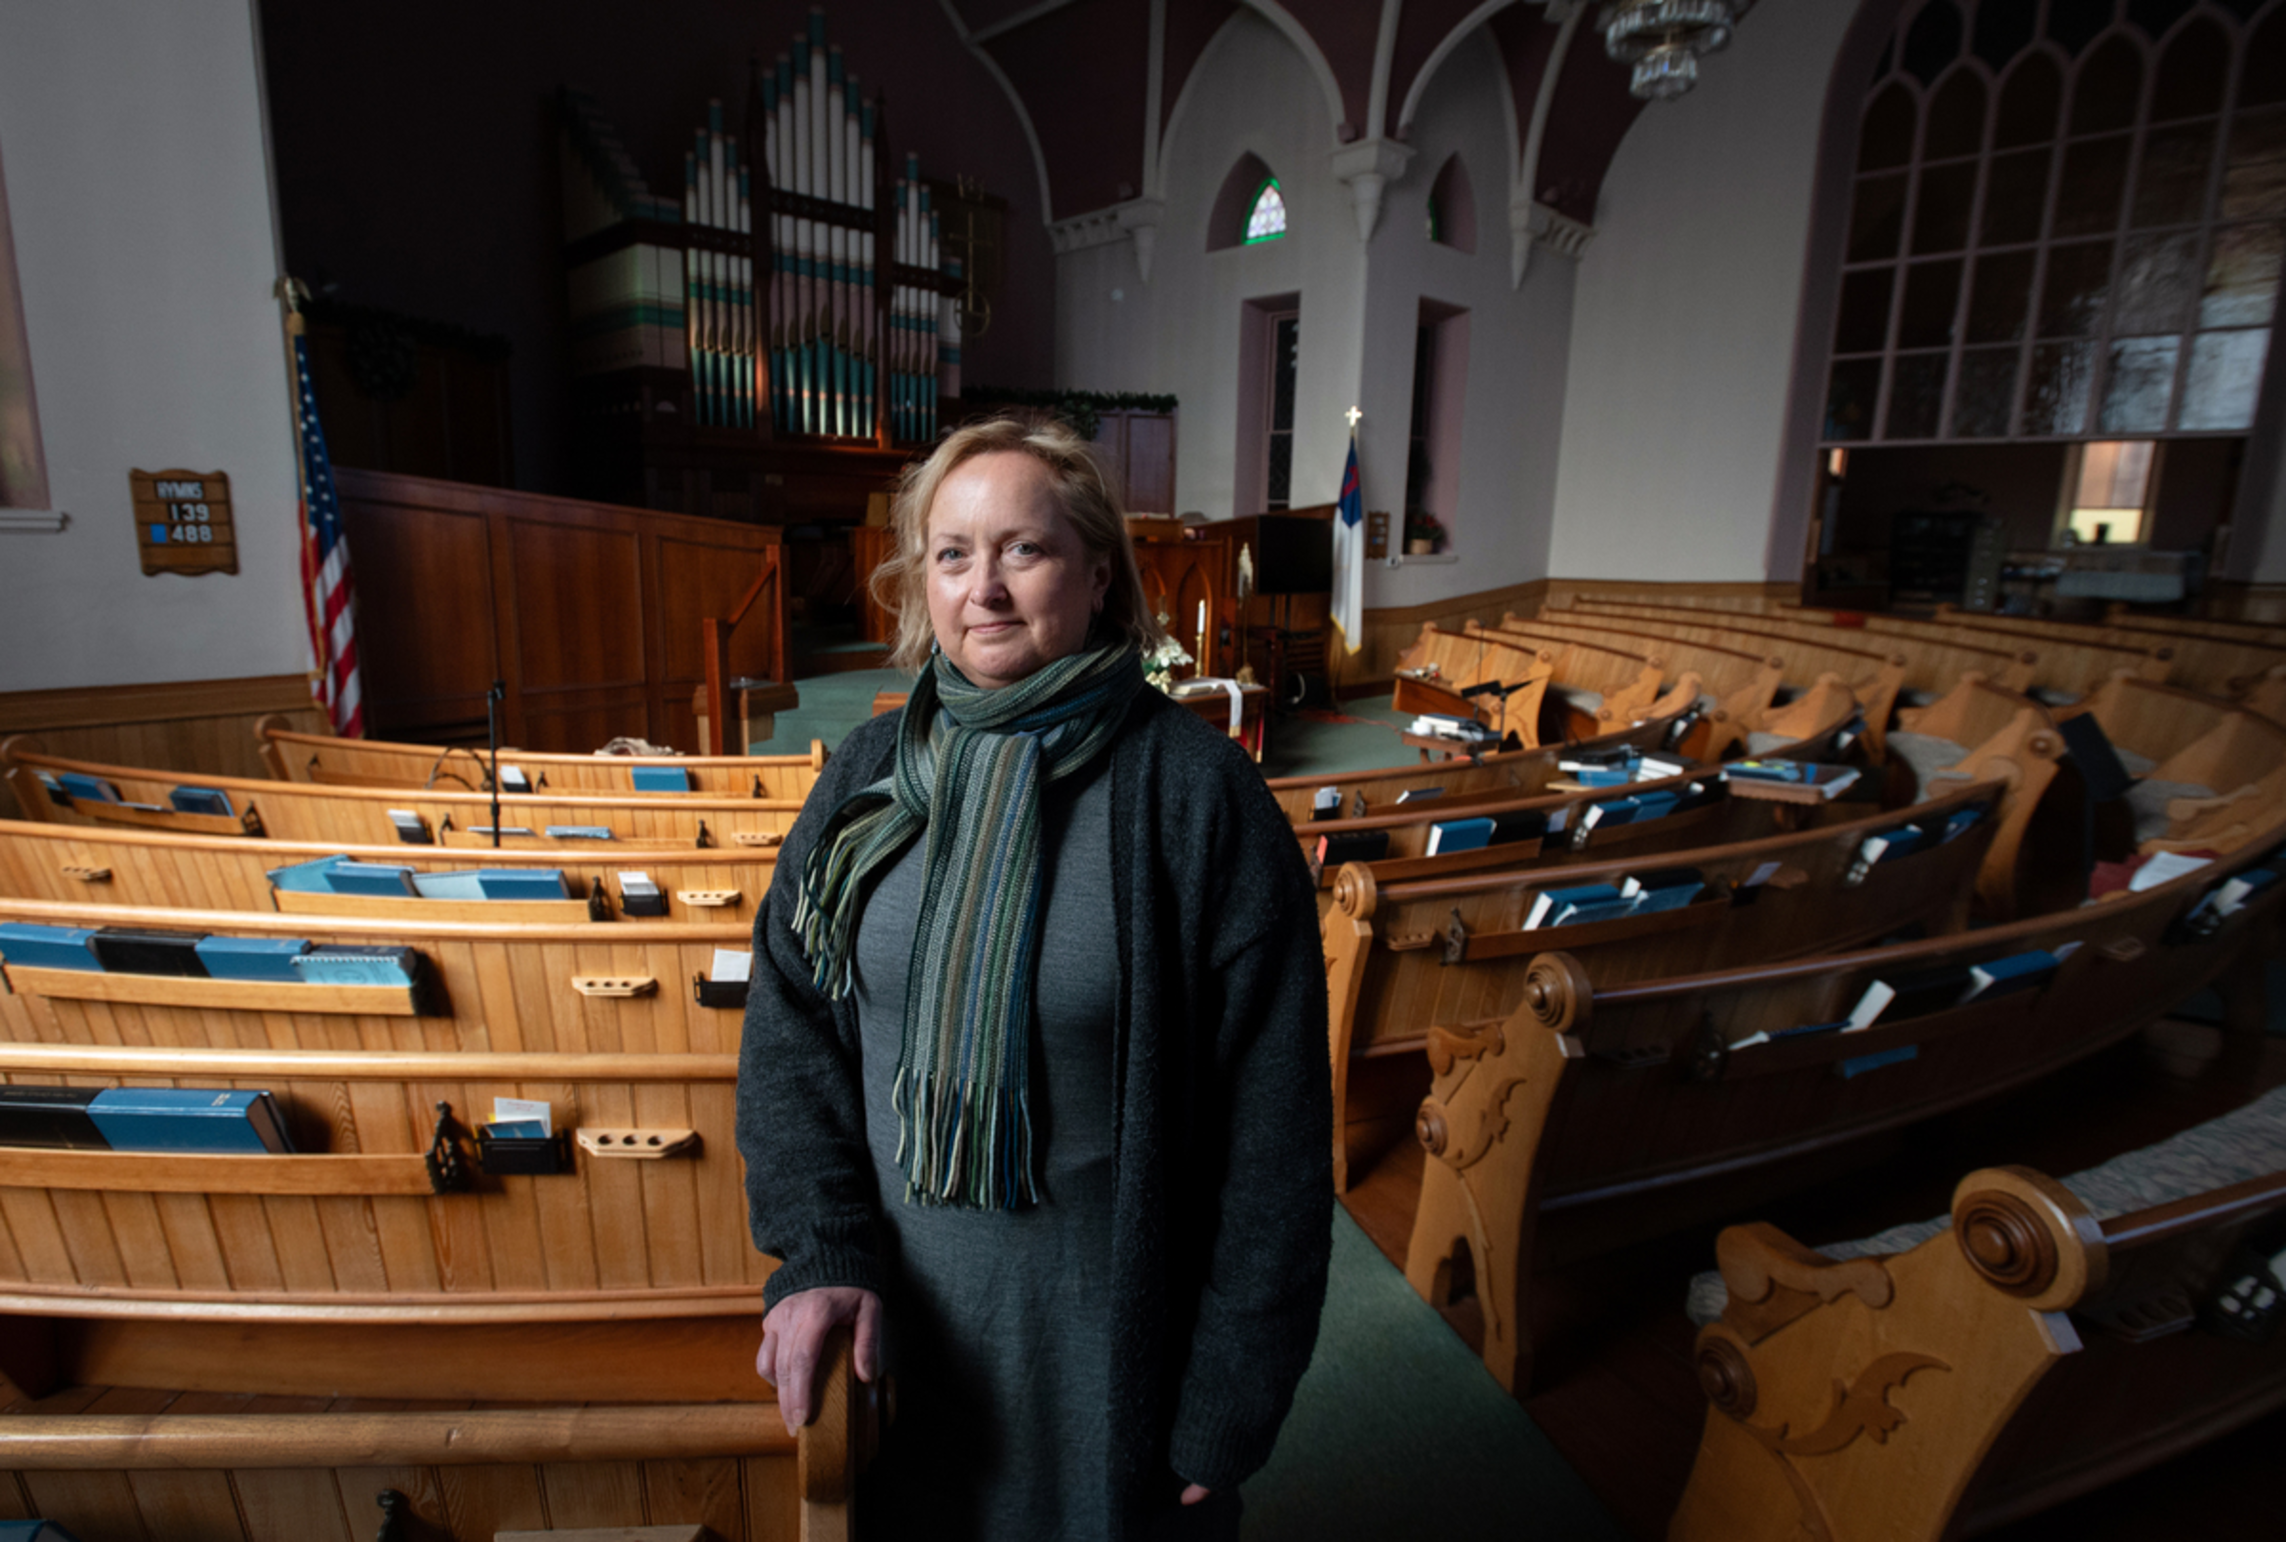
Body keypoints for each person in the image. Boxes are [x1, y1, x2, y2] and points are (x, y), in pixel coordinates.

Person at [736, 415, 1332, 1540]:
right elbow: (791, 1034)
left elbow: (1277, 1136)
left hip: (1115, 1352)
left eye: (1024, 548)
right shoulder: (866, 775)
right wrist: (820, 1253)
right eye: (953, 554)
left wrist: (1234, 1386)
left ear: (1099, 573)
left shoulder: (1199, 798)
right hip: (903, 1336)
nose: (985, 590)